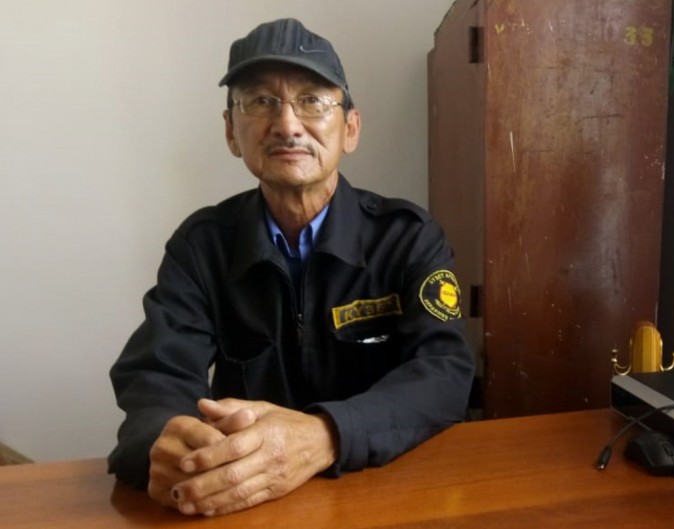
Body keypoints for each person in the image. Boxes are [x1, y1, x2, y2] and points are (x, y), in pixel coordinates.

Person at [109, 17, 474, 517]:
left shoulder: (407, 238)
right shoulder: (202, 246)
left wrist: (326, 435)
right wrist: (166, 441)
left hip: (386, 496)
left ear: (350, 128)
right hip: (247, 505)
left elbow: (445, 373)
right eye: (261, 102)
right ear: (231, 132)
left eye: (312, 101)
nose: (287, 125)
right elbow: (156, 378)